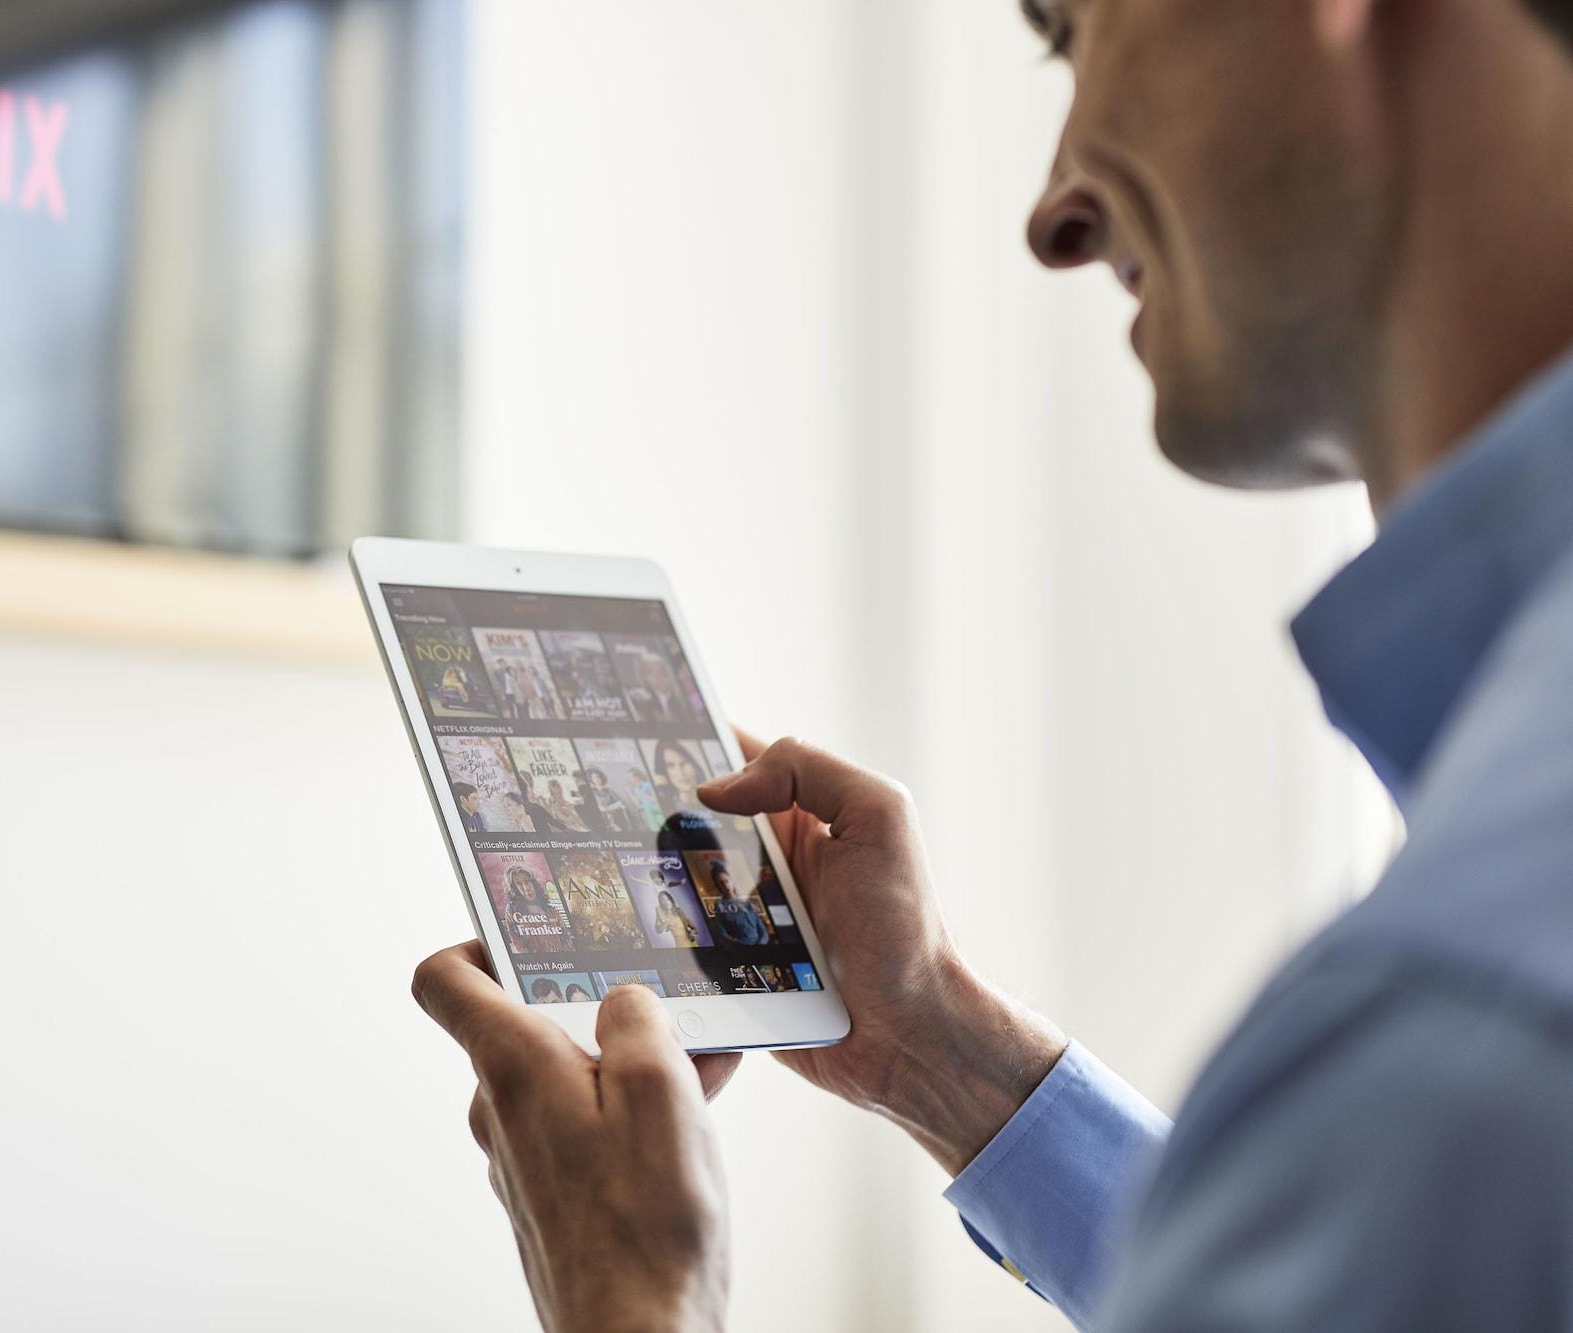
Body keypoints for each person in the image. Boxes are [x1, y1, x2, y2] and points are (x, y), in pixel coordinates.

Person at [413, 0, 1573, 1329]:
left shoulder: (1471, 1013)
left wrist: (632, 1288)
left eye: (1078, 33)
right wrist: (930, 1049)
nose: (1054, 213)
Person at [697, 858, 770, 949]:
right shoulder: (720, 905)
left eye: (727, 881)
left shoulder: (746, 902)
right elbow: (722, 934)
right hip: (741, 949)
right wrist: (740, 945)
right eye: (721, 883)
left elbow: (762, 930)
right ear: (718, 886)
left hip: (760, 948)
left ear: (731, 881)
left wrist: (761, 945)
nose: (725, 885)